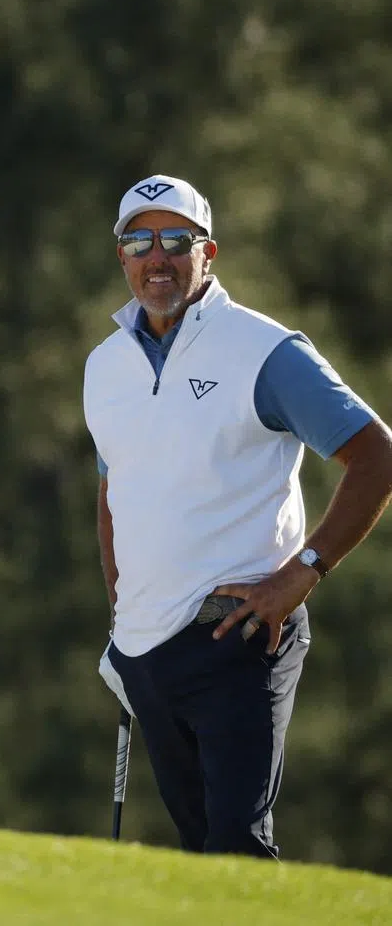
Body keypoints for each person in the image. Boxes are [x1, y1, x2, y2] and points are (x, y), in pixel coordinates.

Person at [84, 174, 392, 859]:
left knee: (236, 849)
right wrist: (122, 607)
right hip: (145, 652)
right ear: (121, 256)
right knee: (200, 858)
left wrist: (302, 573)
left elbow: (377, 456)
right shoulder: (104, 367)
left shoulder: (264, 350)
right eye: (139, 240)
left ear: (208, 251)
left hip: (240, 630)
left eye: (176, 239)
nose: (156, 255)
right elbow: (115, 494)